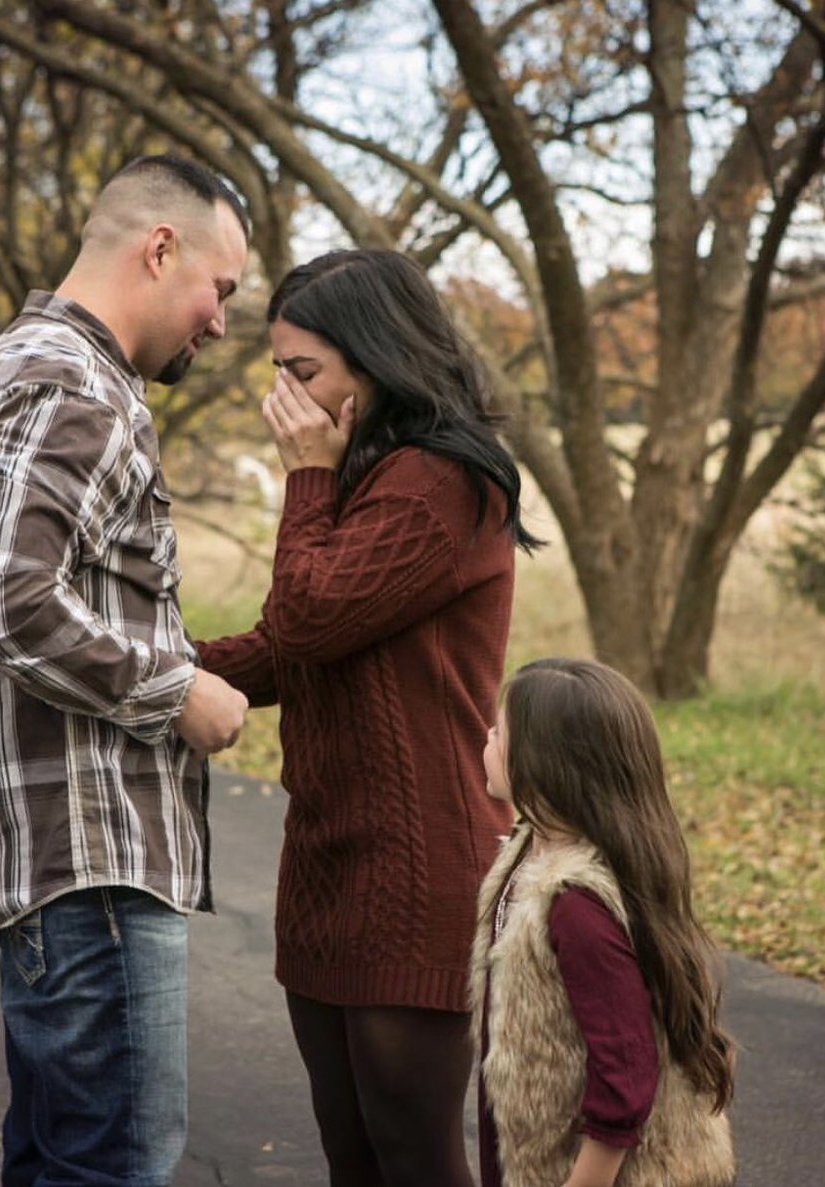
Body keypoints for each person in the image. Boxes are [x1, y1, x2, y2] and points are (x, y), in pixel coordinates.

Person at [0, 153, 251, 1187]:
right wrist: (176, 689)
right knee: (112, 1166)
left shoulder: (12, 369)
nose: (221, 323)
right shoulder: (71, 385)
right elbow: (1, 603)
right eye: (220, 289)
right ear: (159, 249)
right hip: (89, 865)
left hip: (53, 869)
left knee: (65, 1162)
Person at [196, 248, 541, 1187]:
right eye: (276, 371)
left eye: (302, 372)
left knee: (416, 1161)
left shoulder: (441, 485)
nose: (284, 399)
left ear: (375, 358)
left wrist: (305, 477)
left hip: (416, 864)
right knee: (353, 1159)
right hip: (326, 860)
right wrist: (147, 673)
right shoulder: (362, 477)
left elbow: (309, 613)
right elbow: (289, 645)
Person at [473, 658, 736, 1187]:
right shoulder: (526, 849)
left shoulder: (577, 906)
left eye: (502, 730)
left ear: (547, 763)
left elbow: (626, 1077)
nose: (488, 733)